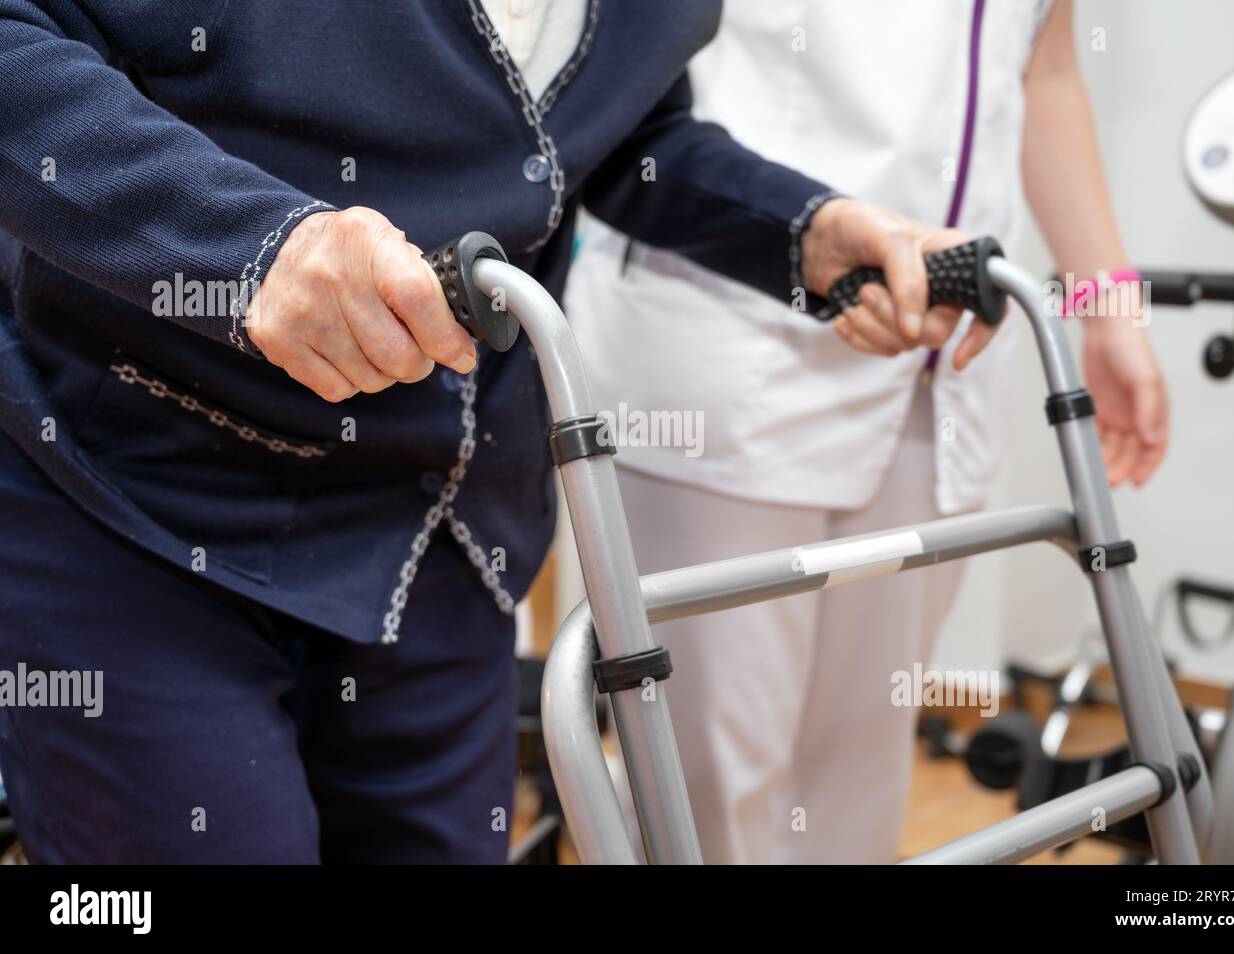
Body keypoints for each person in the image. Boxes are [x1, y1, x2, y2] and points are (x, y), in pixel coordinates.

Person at [0, 0, 987, 863]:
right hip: (133, 501)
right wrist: (249, 245)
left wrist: (804, 228)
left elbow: (624, 136)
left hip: (441, 531)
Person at [564, 0, 1169, 863]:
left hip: (943, 372)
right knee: (710, 802)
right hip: (732, 350)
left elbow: (1043, 65)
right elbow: (630, 99)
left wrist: (1106, 304)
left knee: (858, 785)